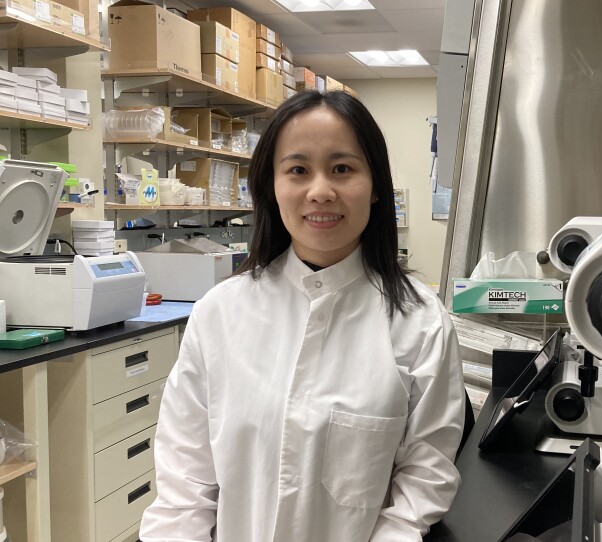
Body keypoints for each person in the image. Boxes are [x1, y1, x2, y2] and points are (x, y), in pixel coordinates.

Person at [140, 90, 466, 541]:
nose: (320, 191)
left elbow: (424, 477)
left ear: (374, 189)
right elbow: (184, 485)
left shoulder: (420, 323)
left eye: (342, 168)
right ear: (272, 188)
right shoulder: (220, 314)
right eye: (298, 170)